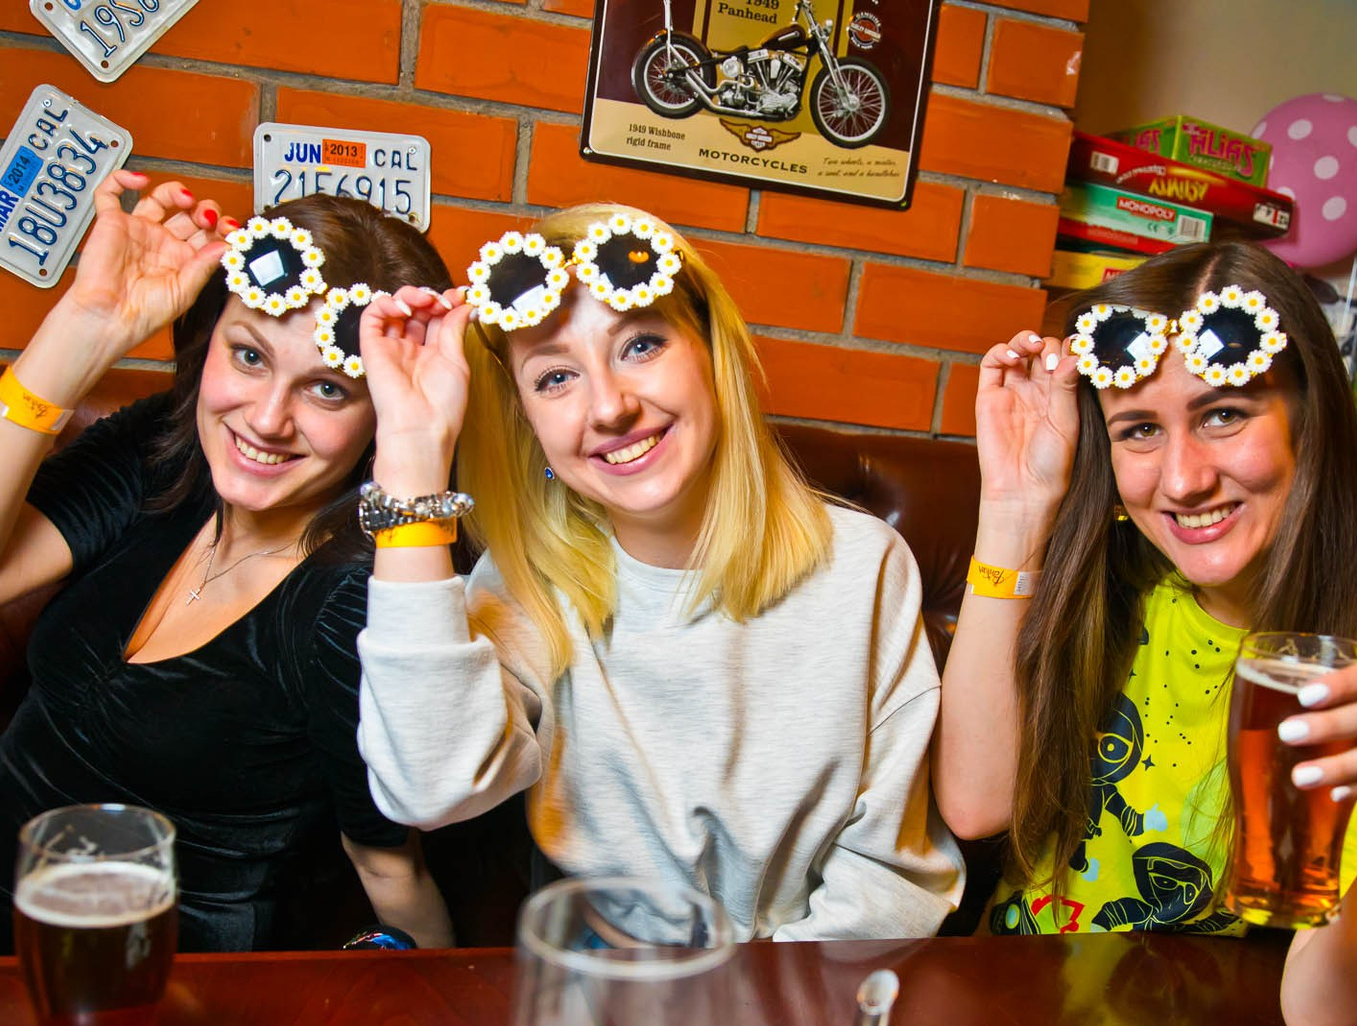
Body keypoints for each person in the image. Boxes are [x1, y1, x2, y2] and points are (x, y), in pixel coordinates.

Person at [0, 182, 455, 959]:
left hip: (139, 987)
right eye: (249, 356)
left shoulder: (359, 597)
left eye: (327, 389)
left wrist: (440, 1016)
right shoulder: (165, 454)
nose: (268, 418)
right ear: (208, 339)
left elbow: (388, 866)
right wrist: (86, 322)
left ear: (383, 413)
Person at [934, 241, 1357, 1026]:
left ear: (1311, 420)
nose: (1183, 479)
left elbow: (1325, 1021)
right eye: (1139, 430)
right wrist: (1016, 508)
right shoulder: (1105, 581)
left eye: (1223, 415)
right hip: (1010, 1021)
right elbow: (976, 805)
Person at [351, 204, 963, 939]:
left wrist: (757, 1000)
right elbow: (430, 787)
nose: (610, 406)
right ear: (528, 424)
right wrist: (413, 452)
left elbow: (890, 880)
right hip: (603, 976)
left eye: (640, 344)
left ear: (710, 350)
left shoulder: (864, 566)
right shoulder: (526, 583)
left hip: (803, 979)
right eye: (555, 378)